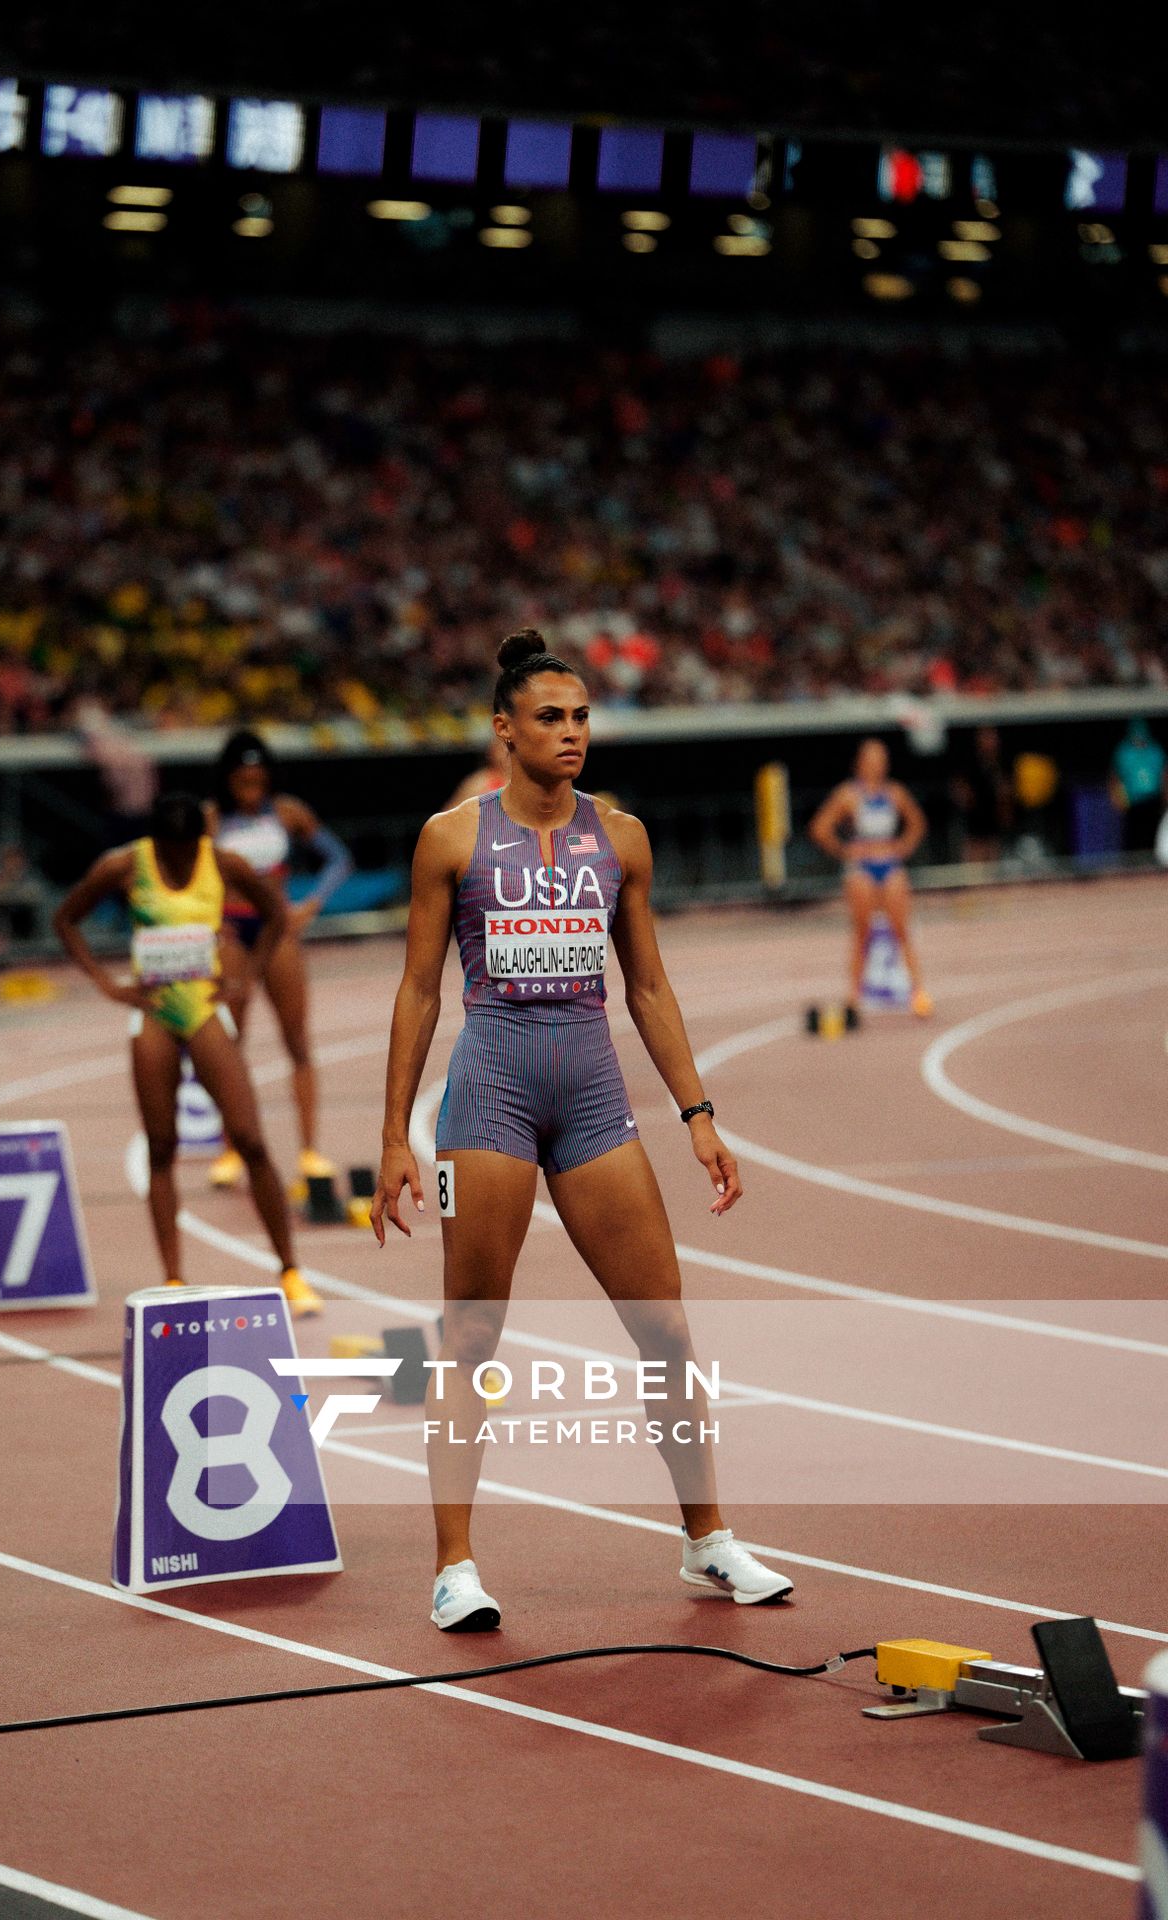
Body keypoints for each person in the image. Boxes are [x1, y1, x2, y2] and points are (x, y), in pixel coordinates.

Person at [370, 629, 794, 1631]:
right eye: (550, 719)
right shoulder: (450, 838)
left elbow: (645, 985)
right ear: (503, 728)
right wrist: (393, 1134)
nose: (570, 734)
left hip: (594, 1096)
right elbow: (416, 993)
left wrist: (697, 1116)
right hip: (489, 1094)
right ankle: (453, 1567)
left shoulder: (623, 837)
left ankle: (706, 1541)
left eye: (580, 718)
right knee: (470, 1332)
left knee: (666, 1330)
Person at [53, 790, 323, 1314]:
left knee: (249, 1138)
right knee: (160, 1147)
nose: (180, 860)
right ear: (157, 841)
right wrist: (108, 985)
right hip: (154, 1011)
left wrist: (246, 975)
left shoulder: (222, 861)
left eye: (188, 850)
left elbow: (274, 914)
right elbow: (66, 919)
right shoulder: (125, 864)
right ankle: (173, 1279)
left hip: (202, 1004)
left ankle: (290, 1270)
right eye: (171, 851)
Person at [205, 731, 353, 1194]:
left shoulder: (286, 812)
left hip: (278, 932)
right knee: (230, 1043)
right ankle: (232, 1149)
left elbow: (337, 859)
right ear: (228, 779)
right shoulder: (211, 820)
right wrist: (210, 920)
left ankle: (309, 1150)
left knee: (297, 1042)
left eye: (257, 777)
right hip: (233, 931)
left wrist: (312, 904)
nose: (251, 785)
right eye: (242, 778)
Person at [808, 739, 932, 1018]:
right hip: (861, 867)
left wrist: (904, 845)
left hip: (889, 863)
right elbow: (819, 827)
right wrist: (843, 849)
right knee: (862, 931)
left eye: (881, 758)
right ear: (860, 762)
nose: (877, 764)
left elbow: (917, 822)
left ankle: (918, 991)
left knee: (902, 929)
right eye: (871, 758)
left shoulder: (895, 792)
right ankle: (854, 996)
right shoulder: (848, 794)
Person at [949, 725, 1013, 864]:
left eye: (992, 738)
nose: (990, 742)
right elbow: (959, 790)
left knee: (994, 868)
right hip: (973, 827)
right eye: (985, 738)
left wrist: (1005, 803)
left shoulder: (1002, 765)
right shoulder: (969, 764)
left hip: (995, 827)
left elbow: (1006, 796)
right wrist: (964, 796)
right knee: (975, 870)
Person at [1109, 719, 1167, 855]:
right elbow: (1115, 776)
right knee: (1133, 834)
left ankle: (1152, 862)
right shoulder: (1124, 751)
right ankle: (1131, 864)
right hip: (1133, 801)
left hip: (1153, 800)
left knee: (1152, 833)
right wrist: (1116, 797)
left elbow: (1164, 775)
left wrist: (1165, 796)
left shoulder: (1155, 751)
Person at [445, 736, 510, 809]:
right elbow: (448, 816)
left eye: (511, 747)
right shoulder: (477, 784)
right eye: (501, 748)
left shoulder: (523, 784)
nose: (506, 752)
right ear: (492, 751)